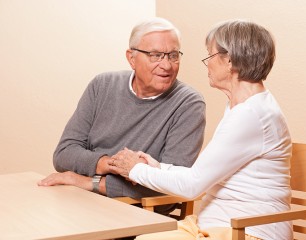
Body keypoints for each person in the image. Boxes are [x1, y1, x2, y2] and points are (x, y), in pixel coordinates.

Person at [109, 19, 293, 240]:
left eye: (211, 55)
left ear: (230, 61)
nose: (207, 64)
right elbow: (202, 175)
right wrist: (157, 166)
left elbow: (192, 186)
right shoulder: (244, 107)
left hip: (249, 231)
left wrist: (134, 170)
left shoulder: (251, 114)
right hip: (217, 226)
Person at [38, 17, 206, 215]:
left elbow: (170, 186)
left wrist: (87, 181)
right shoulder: (102, 85)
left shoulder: (189, 103)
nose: (167, 65)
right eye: (156, 55)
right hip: (80, 203)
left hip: (138, 215)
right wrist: (114, 165)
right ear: (131, 58)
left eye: (173, 55)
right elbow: (64, 155)